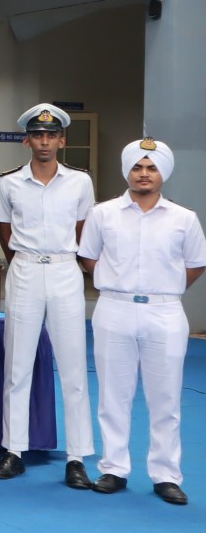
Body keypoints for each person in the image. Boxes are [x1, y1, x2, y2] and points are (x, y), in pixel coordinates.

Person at [79, 138, 206, 506]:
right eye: (137, 167)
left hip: (164, 312)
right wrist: (113, 280)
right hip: (114, 308)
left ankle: (166, 475)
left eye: (151, 168)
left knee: (165, 399)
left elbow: (196, 263)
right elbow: (88, 257)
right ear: (127, 172)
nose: (144, 174)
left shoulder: (184, 218)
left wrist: (167, 287)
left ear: (163, 172)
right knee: (113, 395)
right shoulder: (103, 213)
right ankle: (114, 469)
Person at [0, 104, 96, 488]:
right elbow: (5, 233)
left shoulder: (80, 182)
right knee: (17, 366)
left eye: (52, 135)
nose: (45, 141)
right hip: (25, 270)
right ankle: (13, 450)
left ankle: (77, 458)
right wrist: (26, 264)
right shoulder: (9, 182)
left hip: (66, 269)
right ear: (27, 141)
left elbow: (84, 230)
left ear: (62, 140)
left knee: (73, 368)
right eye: (38, 135)